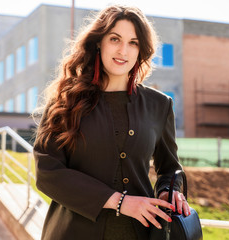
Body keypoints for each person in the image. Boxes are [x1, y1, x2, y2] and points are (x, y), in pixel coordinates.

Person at [33, 4, 190, 240]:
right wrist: (120, 202)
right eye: (115, 39)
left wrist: (170, 190)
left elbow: (169, 168)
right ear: (99, 42)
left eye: (133, 43)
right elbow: (47, 173)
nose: (123, 51)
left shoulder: (160, 105)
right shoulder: (64, 102)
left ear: (141, 50)